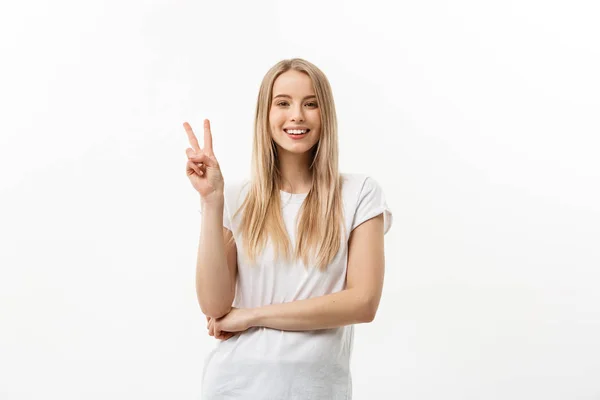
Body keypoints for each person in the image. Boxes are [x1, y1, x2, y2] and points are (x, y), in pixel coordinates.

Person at [183, 58, 393, 399]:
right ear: (265, 116)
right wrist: (211, 202)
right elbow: (215, 307)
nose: (297, 115)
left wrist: (252, 316)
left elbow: (362, 303)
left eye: (311, 104)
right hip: (235, 385)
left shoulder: (360, 193)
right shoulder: (235, 197)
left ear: (326, 115)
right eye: (283, 103)